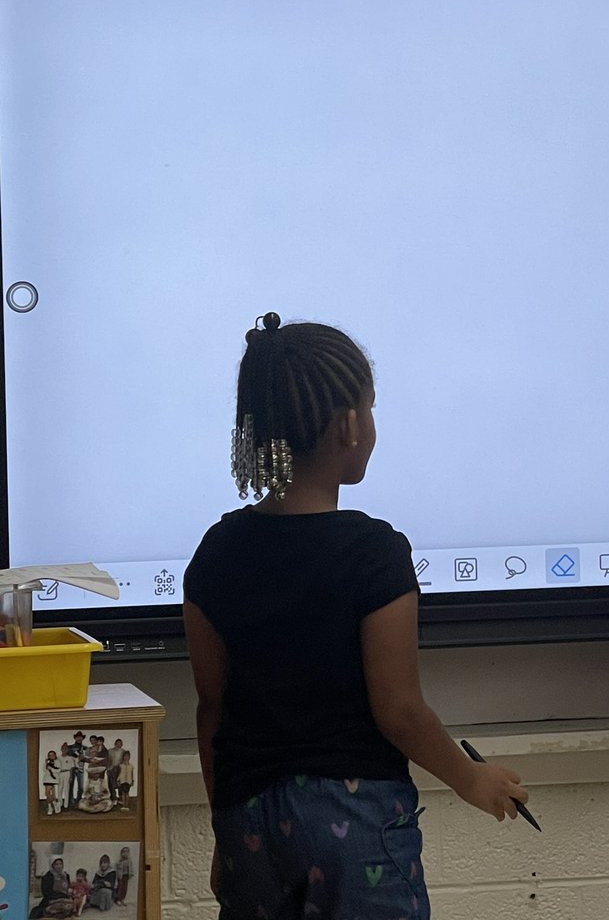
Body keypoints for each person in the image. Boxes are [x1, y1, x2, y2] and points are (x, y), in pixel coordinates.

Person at [184, 313, 528, 920]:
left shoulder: (216, 552)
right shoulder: (373, 552)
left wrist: (225, 833)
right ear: (349, 424)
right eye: (371, 408)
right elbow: (398, 710)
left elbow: (212, 707)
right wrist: (469, 779)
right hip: (355, 816)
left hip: (249, 821)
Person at [42, 749, 60, 815]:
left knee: (48, 792)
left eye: (52, 755)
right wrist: (46, 763)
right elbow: (44, 770)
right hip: (46, 778)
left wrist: (52, 769)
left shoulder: (57, 762)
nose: (51, 756)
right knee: (47, 793)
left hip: (53, 779)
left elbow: (58, 770)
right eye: (50, 755)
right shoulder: (47, 762)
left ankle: (51, 806)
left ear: (55, 755)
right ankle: (53, 804)